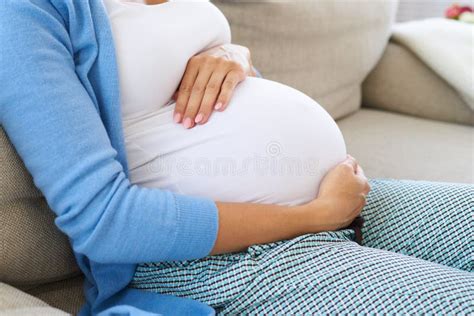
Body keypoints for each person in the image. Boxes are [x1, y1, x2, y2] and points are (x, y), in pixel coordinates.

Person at [0, 1, 472, 315]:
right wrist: (315, 216)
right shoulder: (23, 15)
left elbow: (200, 98)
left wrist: (234, 57)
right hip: (214, 258)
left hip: (341, 198)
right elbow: (106, 224)